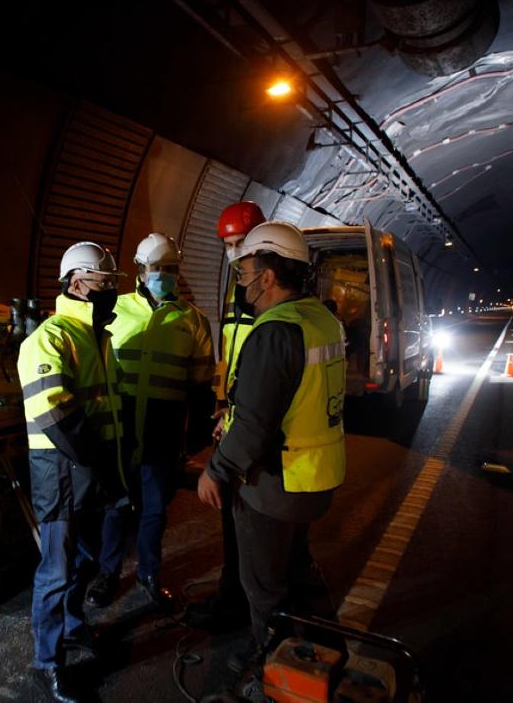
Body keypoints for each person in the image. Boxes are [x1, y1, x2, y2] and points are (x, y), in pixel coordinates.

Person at [195, 221, 346, 673]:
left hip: (274, 482)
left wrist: (216, 470)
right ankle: (330, 651)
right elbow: (297, 398)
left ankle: (270, 666)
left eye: (245, 275)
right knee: (298, 570)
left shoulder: (275, 331)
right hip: (314, 476)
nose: (242, 284)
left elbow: (256, 425)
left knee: (263, 586)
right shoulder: (322, 320)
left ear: (267, 277)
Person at [17, 241, 126, 703]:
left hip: (90, 469)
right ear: (78, 283)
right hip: (61, 472)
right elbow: (53, 411)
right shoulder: (51, 337)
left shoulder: (98, 337)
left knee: (83, 561)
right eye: (105, 282)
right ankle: (48, 663)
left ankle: (73, 627)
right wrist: (97, 458)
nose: (111, 290)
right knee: (56, 571)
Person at [88, 233, 215, 613]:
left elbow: (201, 384)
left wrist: (194, 435)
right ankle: (107, 573)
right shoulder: (116, 309)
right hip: (122, 424)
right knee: (116, 504)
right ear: (140, 271)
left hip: (163, 428)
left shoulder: (192, 320)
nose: (165, 275)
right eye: (157, 268)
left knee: (156, 509)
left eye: (171, 268)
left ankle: (148, 573)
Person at [184, 200, 265, 629]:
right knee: (235, 523)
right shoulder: (238, 288)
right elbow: (232, 356)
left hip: (255, 423)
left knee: (253, 528)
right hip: (236, 416)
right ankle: (235, 599)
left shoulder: (266, 292)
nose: (233, 252)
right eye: (227, 244)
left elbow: (262, 365)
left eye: (240, 242)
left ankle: (254, 617)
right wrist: (222, 406)